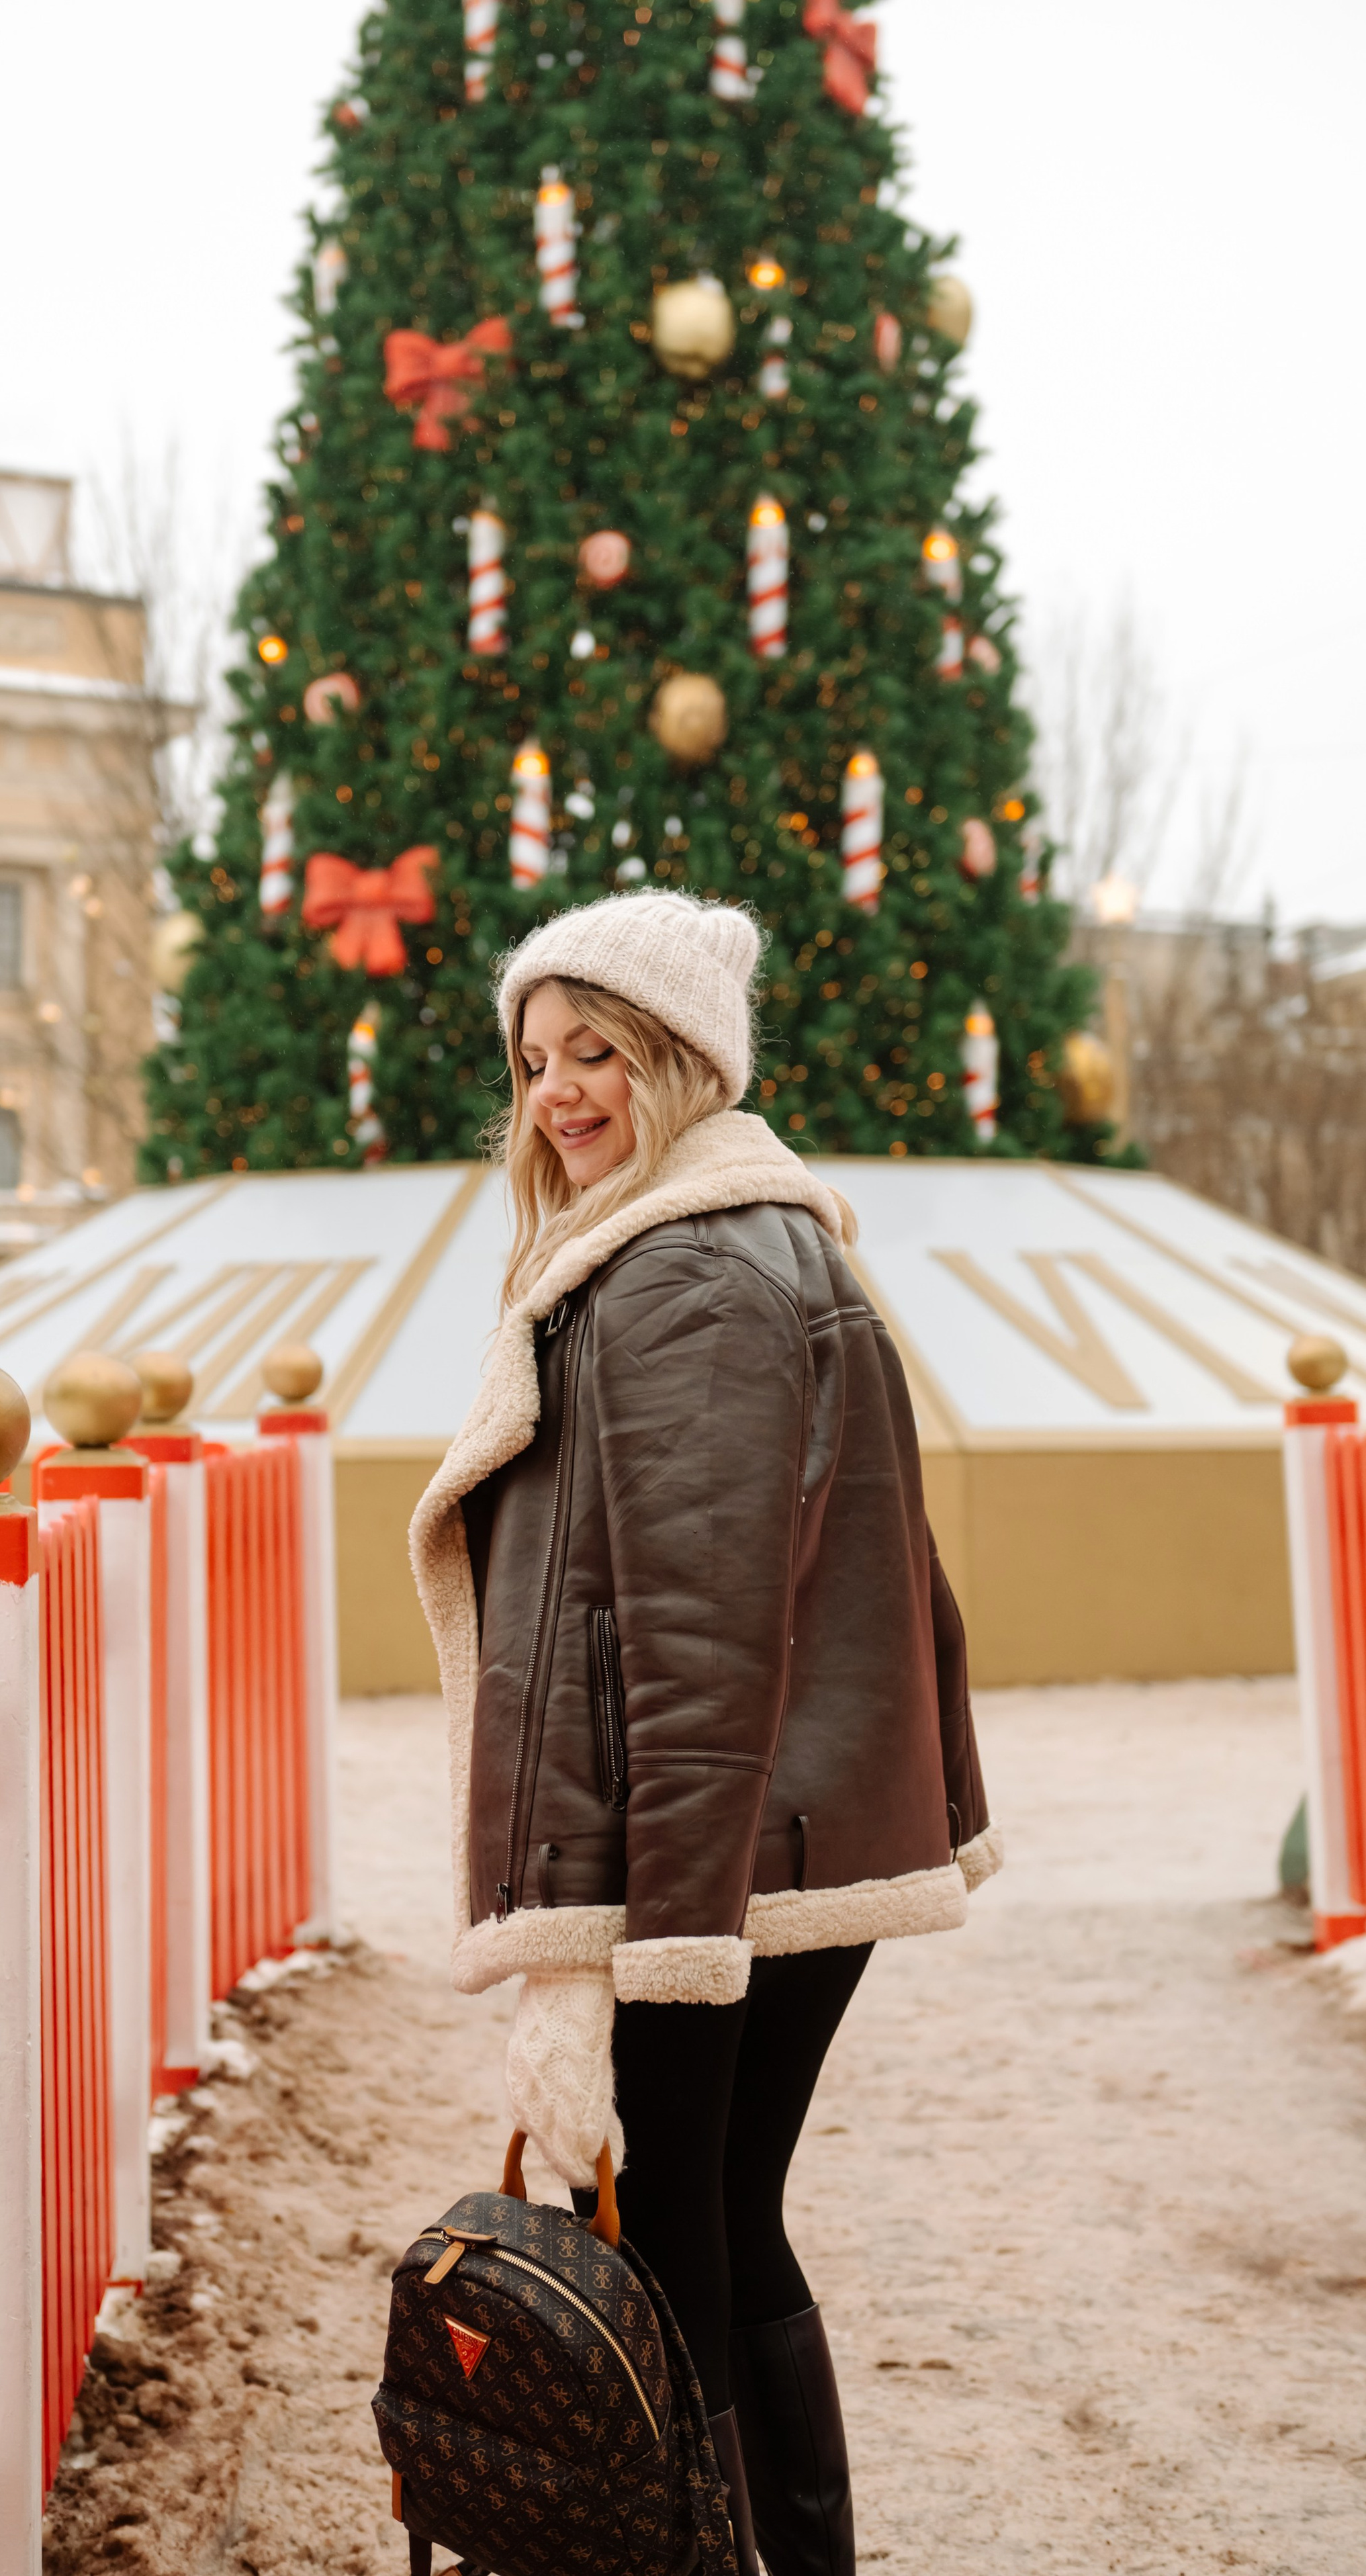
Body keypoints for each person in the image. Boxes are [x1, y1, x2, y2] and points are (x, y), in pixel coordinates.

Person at [410, 890, 1001, 2576]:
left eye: (596, 1052)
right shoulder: (724, 1242)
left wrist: (657, 1945)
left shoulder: (685, 1274)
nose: (557, 1094)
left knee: (682, 2236)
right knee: (716, 2226)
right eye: (534, 1059)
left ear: (680, 1061)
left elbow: (697, 1633)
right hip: (757, 1845)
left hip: (715, 1866)